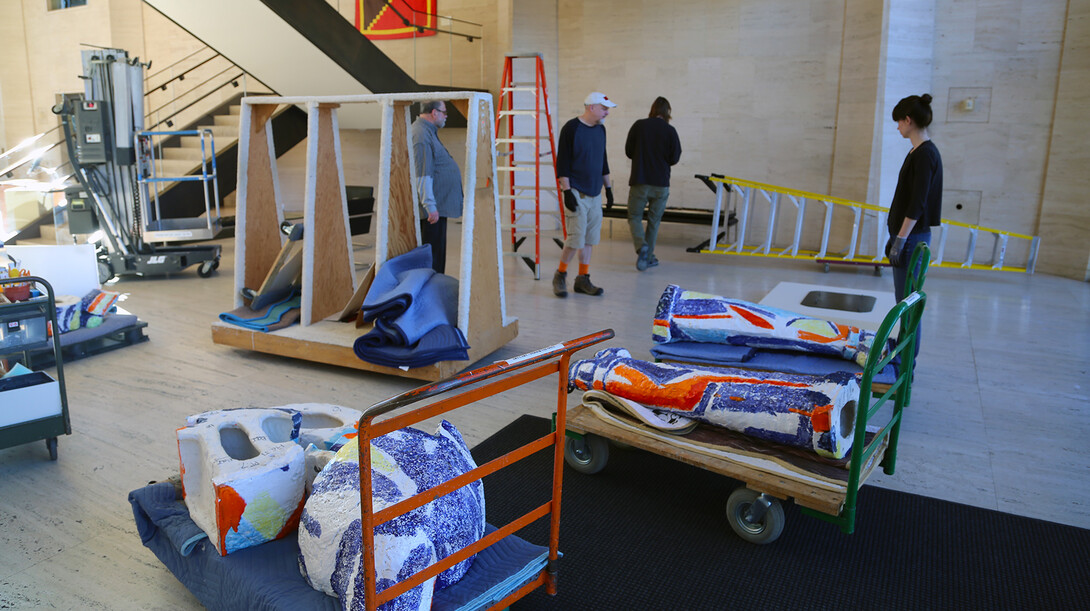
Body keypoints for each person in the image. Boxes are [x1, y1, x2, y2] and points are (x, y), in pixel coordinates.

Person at [553, 92, 616, 298]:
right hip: (576, 192)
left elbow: (602, 160)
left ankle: (583, 278)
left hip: (595, 192)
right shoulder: (572, 128)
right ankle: (561, 274)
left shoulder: (601, 130)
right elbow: (562, 163)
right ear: (591, 107)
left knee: (589, 239)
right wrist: (567, 191)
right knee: (574, 239)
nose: (607, 112)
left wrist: (608, 189)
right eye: (604, 108)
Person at [886, 93, 942, 303]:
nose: (898, 127)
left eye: (899, 122)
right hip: (908, 236)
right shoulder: (916, 152)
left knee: (906, 303)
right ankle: (904, 338)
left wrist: (900, 240)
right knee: (903, 300)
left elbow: (918, 202)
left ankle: (908, 338)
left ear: (908, 120)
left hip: (911, 238)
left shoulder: (925, 154)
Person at [625, 96, 682, 271]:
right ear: (668, 112)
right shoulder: (670, 131)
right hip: (661, 184)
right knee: (654, 221)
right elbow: (675, 158)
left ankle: (641, 246)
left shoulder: (639, 126)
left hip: (640, 181)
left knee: (634, 216)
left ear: (652, 109)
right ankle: (647, 258)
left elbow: (628, 151)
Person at [411, 100, 463, 274]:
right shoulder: (421, 134)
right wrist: (430, 205)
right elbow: (423, 173)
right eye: (444, 112)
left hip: (437, 208)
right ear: (434, 113)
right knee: (432, 258)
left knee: (437, 256)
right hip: (431, 212)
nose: (446, 116)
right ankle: (430, 293)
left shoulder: (428, 131)